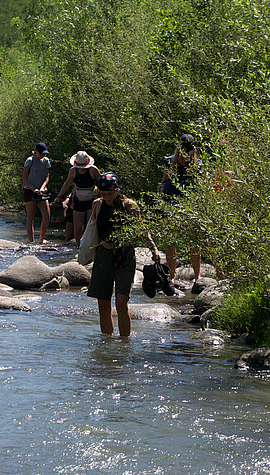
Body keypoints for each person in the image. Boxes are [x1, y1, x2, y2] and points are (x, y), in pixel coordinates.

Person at [87, 172, 160, 336]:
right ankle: (106, 344)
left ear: (117, 190)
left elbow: (142, 230)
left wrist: (153, 249)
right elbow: (92, 232)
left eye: (109, 194)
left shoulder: (130, 206)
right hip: (103, 255)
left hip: (125, 254)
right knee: (103, 304)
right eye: (103, 194)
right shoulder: (97, 205)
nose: (106, 197)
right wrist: (87, 253)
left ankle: (124, 344)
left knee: (121, 302)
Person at [160, 133, 202, 282]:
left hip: (190, 207)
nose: (184, 157)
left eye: (188, 153)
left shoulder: (197, 165)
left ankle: (198, 276)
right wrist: (162, 196)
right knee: (171, 241)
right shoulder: (168, 162)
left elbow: (200, 187)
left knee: (194, 242)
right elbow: (164, 180)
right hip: (171, 205)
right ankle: (172, 275)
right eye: (182, 153)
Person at [54, 151, 101, 246]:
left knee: (90, 225)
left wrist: (102, 196)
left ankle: (89, 246)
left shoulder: (93, 170)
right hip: (78, 200)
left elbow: (102, 182)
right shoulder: (73, 171)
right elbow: (67, 183)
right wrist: (59, 196)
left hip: (91, 200)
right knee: (78, 228)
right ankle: (79, 247)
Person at [22, 142, 51, 244]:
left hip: (42, 190)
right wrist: (33, 189)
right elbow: (24, 178)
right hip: (29, 190)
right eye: (41, 153)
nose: (43, 155)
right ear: (36, 152)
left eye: (44, 153)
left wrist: (42, 188)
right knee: (31, 216)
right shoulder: (29, 161)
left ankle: (41, 239)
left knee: (47, 215)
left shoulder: (46, 161)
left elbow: (47, 177)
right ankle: (31, 241)